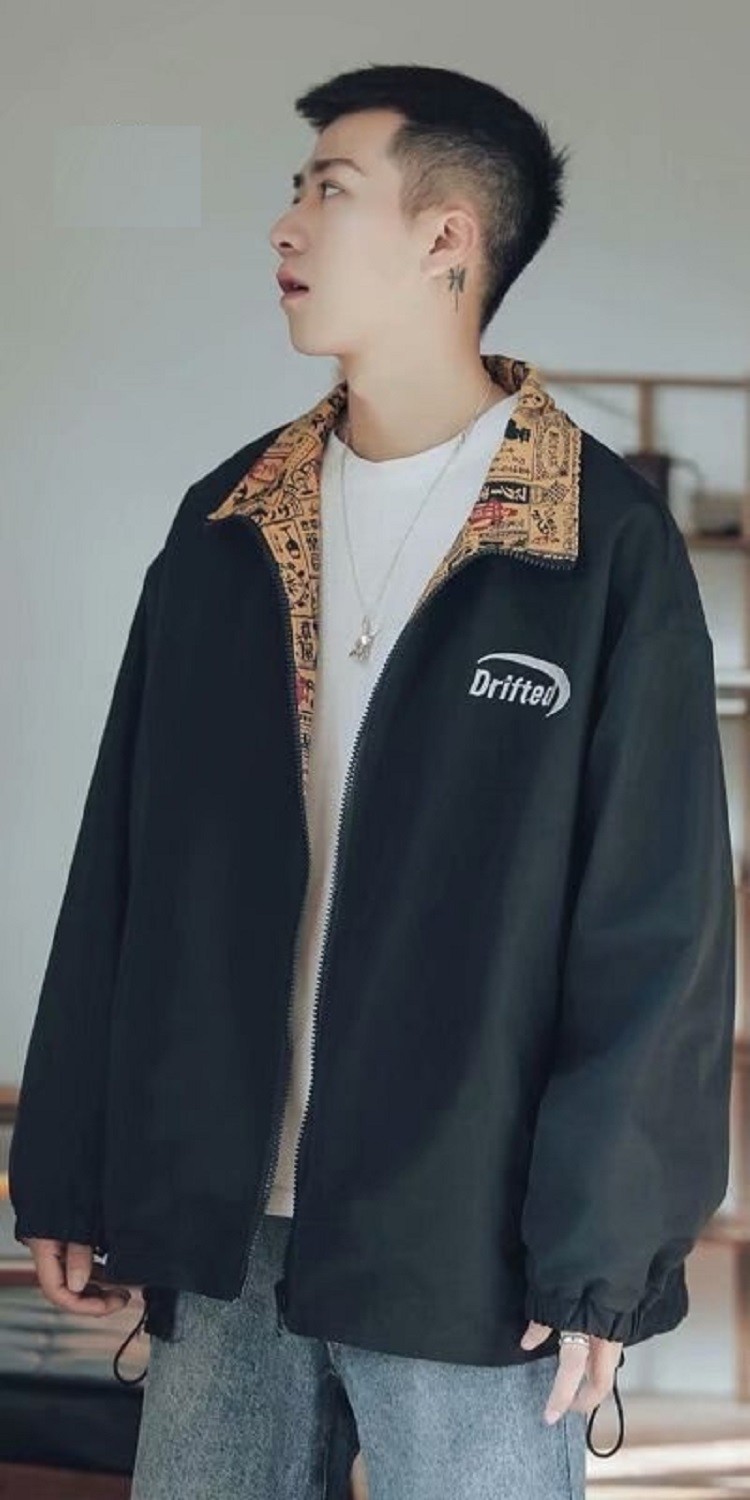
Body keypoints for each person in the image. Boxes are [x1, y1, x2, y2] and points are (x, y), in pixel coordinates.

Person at [9, 62, 736, 1500]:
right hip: (220, 1221)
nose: (285, 226)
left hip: (471, 1241)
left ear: (446, 236)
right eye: (293, 192)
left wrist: (606, 1253)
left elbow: (655, 929)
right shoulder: (227, 524)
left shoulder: (597, 545)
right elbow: (123, 867)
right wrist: (72, 1162)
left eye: (328, 190)